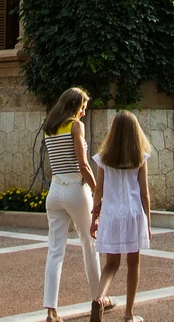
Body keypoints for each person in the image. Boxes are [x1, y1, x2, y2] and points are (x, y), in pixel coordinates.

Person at [40, 88, 109, 322]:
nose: (84, 111)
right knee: (90, 245)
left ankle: (51, 310)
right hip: (75, 189)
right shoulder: (75, 126)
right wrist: (99, 188)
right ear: (76, 105)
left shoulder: (50, 126)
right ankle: (99, 298)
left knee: (55, 250)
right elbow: (83, 164)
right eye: (83, 106)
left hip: (55, 190)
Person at [90, 110, 152, 322]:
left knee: (111, 264)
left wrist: (94, 217)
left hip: (111, 214)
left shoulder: (103, 158)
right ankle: (129, 314)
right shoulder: (140, 157)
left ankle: (99, 299)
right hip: (133, 214)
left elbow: (98, 190)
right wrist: (149, 223)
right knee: (133, 264)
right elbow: (144, 193)